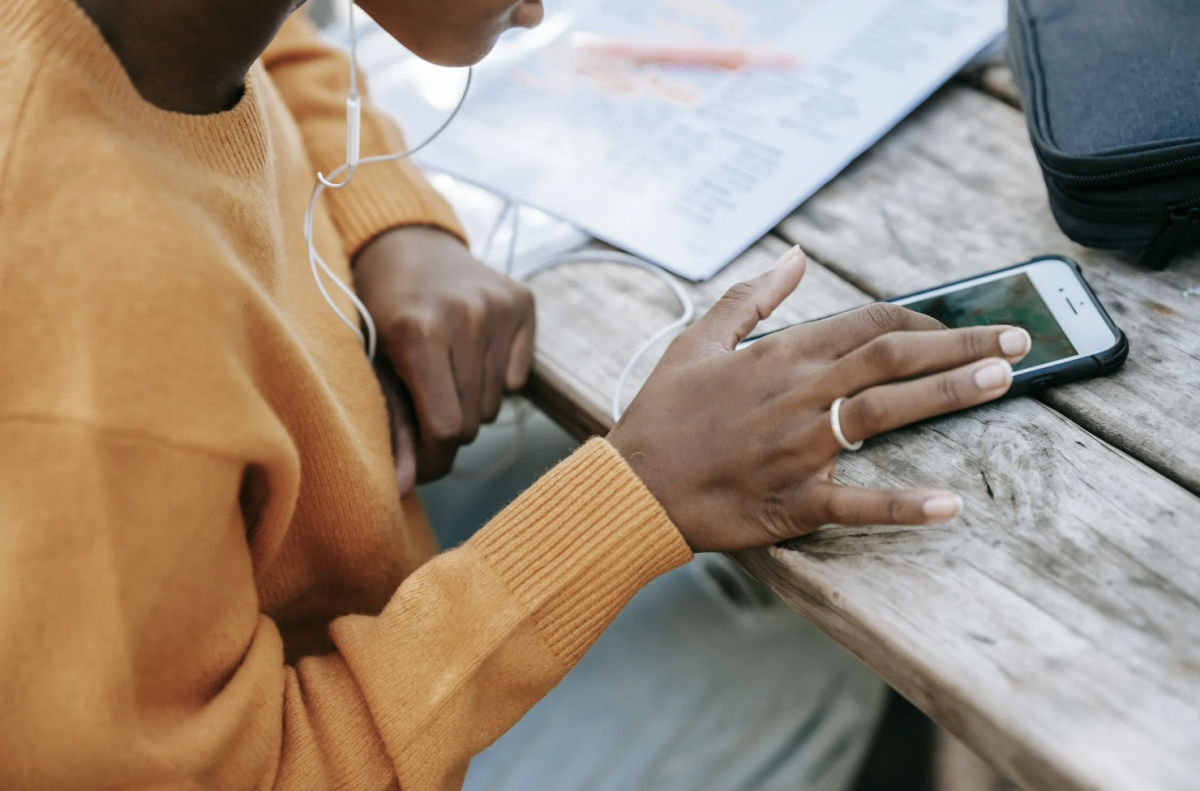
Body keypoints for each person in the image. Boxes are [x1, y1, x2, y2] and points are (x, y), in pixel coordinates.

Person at [0, 0, 1034, 789]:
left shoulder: (157, 33)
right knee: (803, 647)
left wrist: (388, 217)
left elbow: (282, 47)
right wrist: (632, 500)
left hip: (305, 549)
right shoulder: (87, 312)